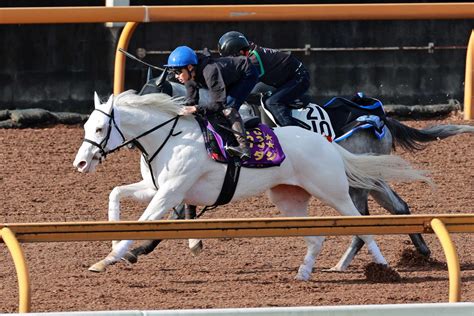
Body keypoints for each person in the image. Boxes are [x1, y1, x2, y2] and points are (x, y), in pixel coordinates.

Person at [164, 45, 258, 160]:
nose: (176, 76)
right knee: (213, 111)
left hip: (247, 73)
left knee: (228, 108)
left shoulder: (210, 71)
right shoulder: (189, 79)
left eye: (178, 72)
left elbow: (218, 104)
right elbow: (190, 102)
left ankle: (244, 148)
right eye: (174, 72)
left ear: (189, 67)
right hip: (231, 76)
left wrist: (197, 108)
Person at [218, 31, 310, 128]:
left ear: (238, 53)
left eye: (229, 58)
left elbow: (240, 86)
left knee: (272, 102)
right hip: (283, 76)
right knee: (251, 95)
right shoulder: (245, 50)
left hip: (299, 78)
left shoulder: (254, 61)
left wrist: (226, 111)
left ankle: (295, 132)